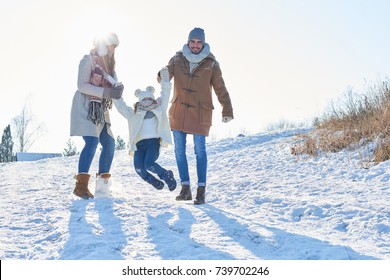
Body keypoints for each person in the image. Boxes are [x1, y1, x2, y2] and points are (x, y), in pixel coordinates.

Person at [158, 27, 234, 204]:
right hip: (179, 111)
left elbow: (220, 89)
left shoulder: (211, 64)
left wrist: (227, 110)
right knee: (179, 151)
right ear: (188, 42)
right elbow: (165, 75)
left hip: (201, 112)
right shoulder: (177, 59)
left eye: (198, 42)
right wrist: (162, 75)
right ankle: (185, 189)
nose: (195, 45)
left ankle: (201, 190)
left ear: (203, 43)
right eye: (192, 42)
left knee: (200, 151)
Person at [70, 32, 124, 199]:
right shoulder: (87, 60)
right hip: (86, 107)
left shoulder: (110, 68)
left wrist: (118, 91)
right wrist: (107, 92)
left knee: (109, 143)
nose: (112, 49)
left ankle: (102, 186)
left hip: (101, 109)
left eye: (114, 46)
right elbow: (82, 85)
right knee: (92, 141)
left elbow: (114, 89)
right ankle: (81, 187)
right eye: (110, 45)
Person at [114, 67, 177, 191]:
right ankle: (153, 181)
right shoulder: (133, 113)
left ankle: (166, 175)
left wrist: (165, 80)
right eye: (144, 100)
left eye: (149, 99)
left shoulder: (159, 108)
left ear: (152, 99)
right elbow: (121, 107)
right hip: (139, 146)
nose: (147, 103)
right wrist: (116, 93)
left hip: (153, 143)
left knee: (149, 164)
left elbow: (165, 93)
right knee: (139, 168)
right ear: (139, 101)